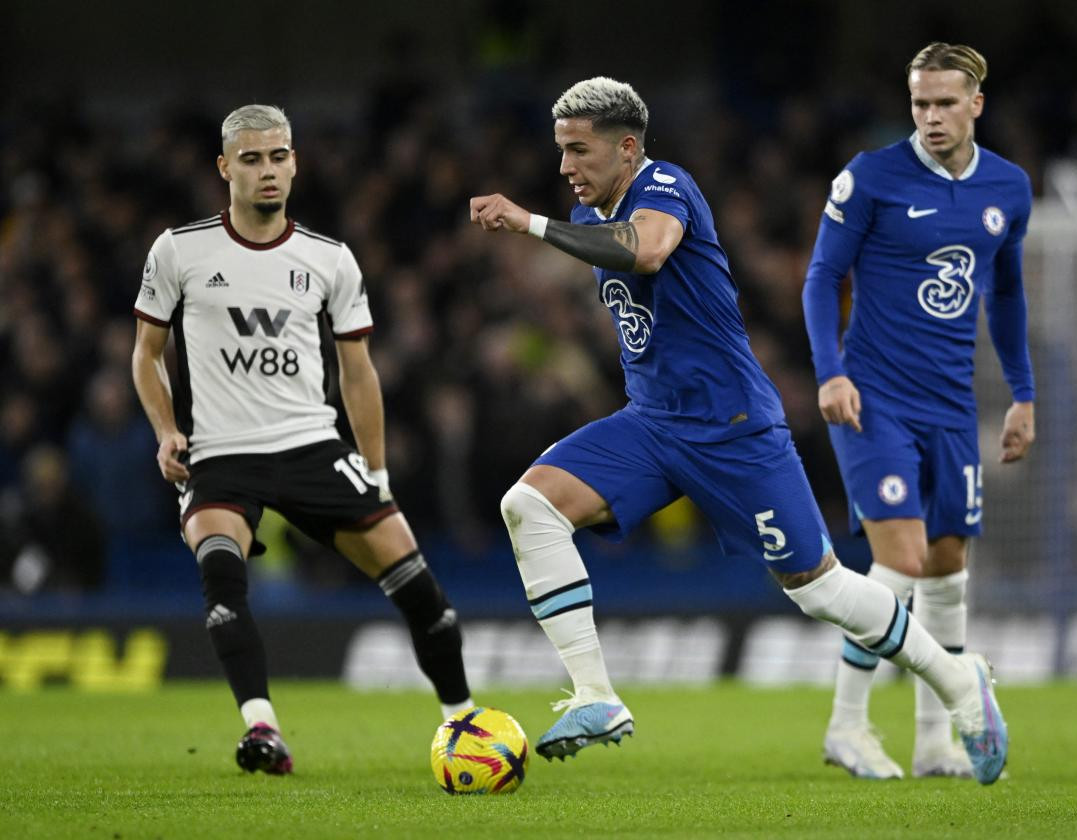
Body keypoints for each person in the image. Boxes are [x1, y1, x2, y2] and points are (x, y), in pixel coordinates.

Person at [471, 76, 1008, 784]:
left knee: (816, 587)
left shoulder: (664, 186)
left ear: (627, 149)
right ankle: (597, 695)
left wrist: (532, 224)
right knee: (528, 504)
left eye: (580, 150)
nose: (566, 166)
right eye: (560, 151)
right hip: (653, 423)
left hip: (732, 430)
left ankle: (957, 680)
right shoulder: (605, 210)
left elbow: (649, 251)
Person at [131, 104, 473, 775]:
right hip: (222, 454)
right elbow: (146, 354)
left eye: (279, 156)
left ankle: (463, 723)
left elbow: (357, 371)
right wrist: (168, 431)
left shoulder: (330, 259)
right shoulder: (179, 250)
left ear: (295, 163)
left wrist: (374, 469)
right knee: (223, 583)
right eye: (252, 159)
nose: (268, 171)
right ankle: (262, 729)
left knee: (424, 596)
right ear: (225, 167)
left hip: (312, 446)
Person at [802, 43, 1035, 780]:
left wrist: (1023, 394)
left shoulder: (1009, 187)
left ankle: (935, 742)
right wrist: (831, 373)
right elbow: (820, 279)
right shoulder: (871, 176)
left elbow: (1006, 296)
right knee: (898, 560)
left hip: (951, 407)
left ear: (975, 105)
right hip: (875, 401)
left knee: (945, 569)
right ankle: (847, 725)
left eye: (944, 103)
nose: (930, 117)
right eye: (919, 104)